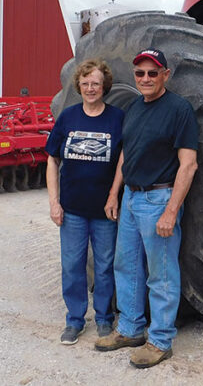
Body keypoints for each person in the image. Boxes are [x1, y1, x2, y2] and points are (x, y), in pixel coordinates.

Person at [95, 47, 198, 369]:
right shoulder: (135, 109)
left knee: (161, 275)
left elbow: (189, 165)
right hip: (131, 198)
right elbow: (127, 155)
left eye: (153, 72)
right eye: (140, 73)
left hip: (158, 200)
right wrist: (115, 194)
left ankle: (160, 340)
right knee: (126, 267)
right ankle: (129, 329)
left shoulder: (179, 109)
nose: (146, 78)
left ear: (165, 75)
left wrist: (171, 211)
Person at [45, 59, 125, 345]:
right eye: (86, 83)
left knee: (105, 265)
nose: (91, 88)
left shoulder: (117, 118)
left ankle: (104, 318)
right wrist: (54, 202)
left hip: (105, 211)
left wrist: (114, 193)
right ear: (79, 86)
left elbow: (123, 160)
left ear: (105, 87)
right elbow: (52, 160)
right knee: (72, 265)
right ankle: (75, 320)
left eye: (96, 84)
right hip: (73, 210)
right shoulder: (68, 117)